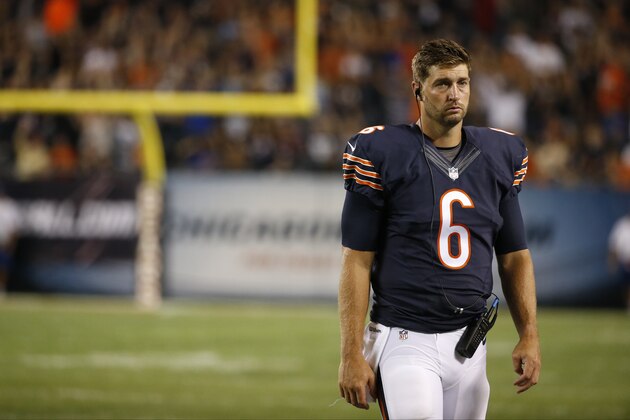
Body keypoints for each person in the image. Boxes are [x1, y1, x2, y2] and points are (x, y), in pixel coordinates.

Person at [337, 39, 541, 419]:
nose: (455, 93)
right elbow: (357, 260)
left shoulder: (499, 155)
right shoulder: (383, 152)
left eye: (462, 83)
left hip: (470, 343)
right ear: (417, 89)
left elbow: (514, 256)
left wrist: (528, 333)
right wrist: (350, 352)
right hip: (405, 339)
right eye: (442, 84)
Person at [608, 211, 630, 313]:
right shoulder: (621, 226)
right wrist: (613, 262)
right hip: (625, 262)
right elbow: (614, 246)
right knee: (626, 285)